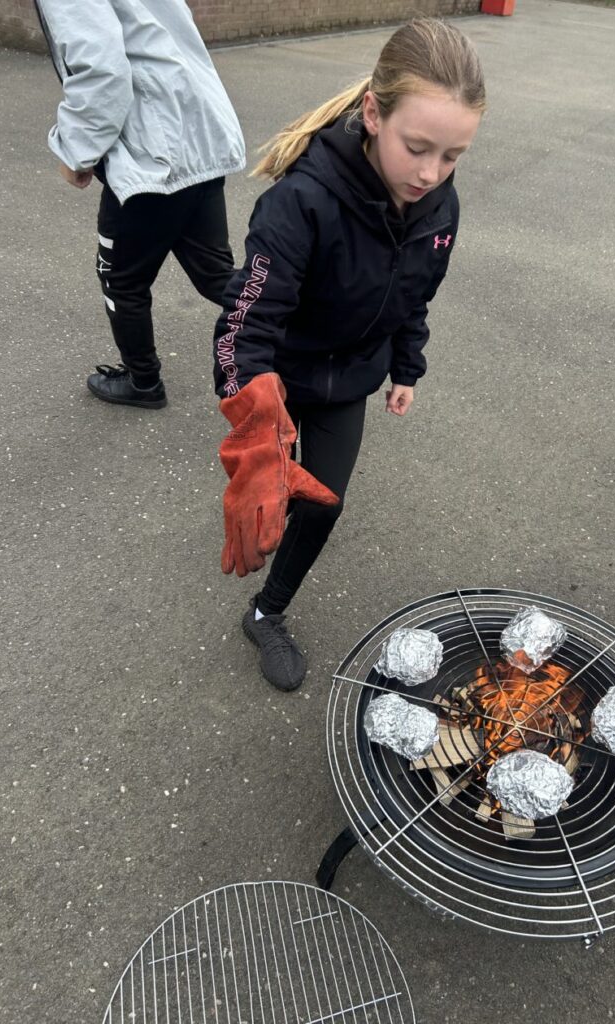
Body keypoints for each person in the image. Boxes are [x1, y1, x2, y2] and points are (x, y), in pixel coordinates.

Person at [214, 18, 485, 691]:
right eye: (416, 148)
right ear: (372, 114)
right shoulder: (300, 202)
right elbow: (243, 326)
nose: (431, 173)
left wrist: (406, 367)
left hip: (350, 380)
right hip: (282, 378)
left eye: (452, 156)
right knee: (268, 488)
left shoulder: (439, 207)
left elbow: (416, 294)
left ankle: (266, 612)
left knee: (323, 502)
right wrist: (255, 432)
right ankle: (269, 485)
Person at [36, 0, 246, 408]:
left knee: (121, 278)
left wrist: (77, 150)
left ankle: (143, 382)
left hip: (152, 155)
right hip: (199, 135)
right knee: (216, 274)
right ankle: (313, 331)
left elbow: (102, 72)